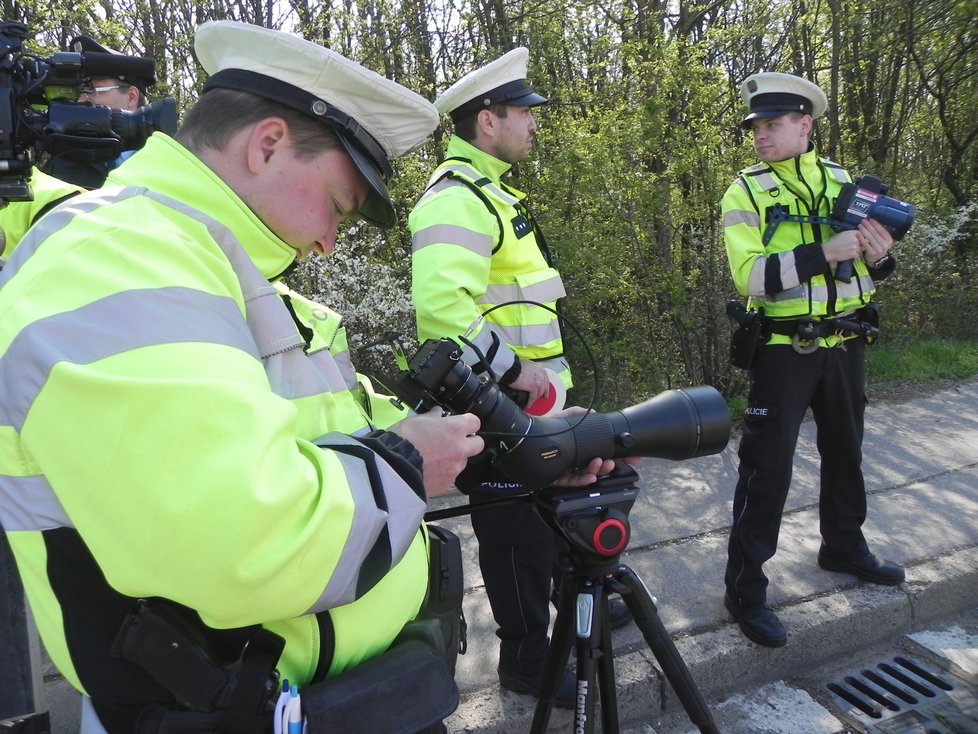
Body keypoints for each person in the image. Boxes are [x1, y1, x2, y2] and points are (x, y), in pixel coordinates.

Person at [0, 20, 488, 734]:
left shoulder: (228, 278)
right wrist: (409, 464)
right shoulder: (118, 256)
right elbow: (251, 541)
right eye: (338, 207)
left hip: (334, 702)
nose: (327, 241)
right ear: (267, 145)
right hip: (221, 713)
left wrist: (504, 442)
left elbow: (337, 429)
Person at [408, 47, 630, 702]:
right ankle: (527, 664)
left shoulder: (491, 195)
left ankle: (574, 615)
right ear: (487, 122)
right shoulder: (456, 201)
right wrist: (514, 371)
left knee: (548, 522)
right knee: (514, 544)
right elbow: (441, 313)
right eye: (523, 113)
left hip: (530, 412)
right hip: (497, 411)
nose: (535, 124)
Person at [721, 71, 904, 648]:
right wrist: (820, 253)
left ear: (805, 125)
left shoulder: (844, 183)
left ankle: (844, 547)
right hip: (784, 349)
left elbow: (873, 269)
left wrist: (881, 257)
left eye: (772, 125)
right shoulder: (744, 192)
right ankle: (744, 586)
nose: (760, 135)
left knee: (846, 452)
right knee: (766, 469)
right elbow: (750, 278)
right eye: (755, 126)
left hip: (846, 342)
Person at [41, 35, 155, 188]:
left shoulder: (162, 161)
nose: (81, 100)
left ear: (132, 97)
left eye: (92, 88)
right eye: (79, 91)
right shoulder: (64, 162)